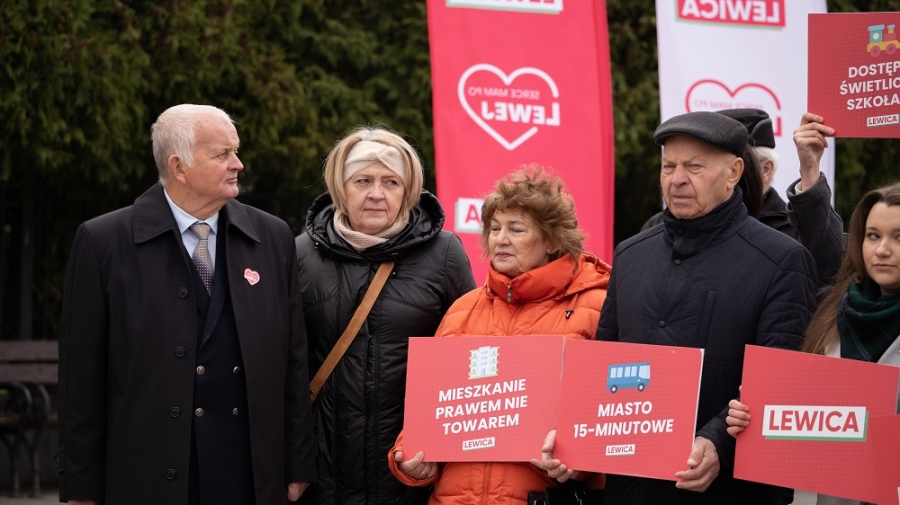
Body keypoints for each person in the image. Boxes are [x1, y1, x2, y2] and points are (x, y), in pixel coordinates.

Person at [56, 104, 316, 505]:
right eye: (222, 154)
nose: (238, 164)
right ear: (178, 167)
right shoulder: (103, 242)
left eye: (236, 151)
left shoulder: (272, 236)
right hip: (148, 476)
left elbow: (294, 359)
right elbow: (81, 380)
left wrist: (297, 463)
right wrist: (82, 489)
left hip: (247, 474)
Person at [563, 111, 817, 504]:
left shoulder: (781, 260)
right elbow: (603, 367)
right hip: (632, 489)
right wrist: (570, 441)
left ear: (733, 173)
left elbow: (779, 383)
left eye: (694, 167)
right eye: (669, 166)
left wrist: (718, 443)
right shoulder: (630, 255)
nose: (677, 179)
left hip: (730, 491)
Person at [387, 166, 612, 504]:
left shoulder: (596, 306)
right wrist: (409, 458)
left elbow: (616, 420)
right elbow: (430, 409)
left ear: (552, 241)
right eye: (494, 228)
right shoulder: (463, 309)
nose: (500, 239)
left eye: (516, 229)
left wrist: (577, 461)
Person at [294, 126, 476, 505]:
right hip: (324, 475)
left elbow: (469, 354)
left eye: (391, 182)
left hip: (410, 470)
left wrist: (437, 447)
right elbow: (284, 364)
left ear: (407, 191)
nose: (377, 194)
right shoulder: (300, 255)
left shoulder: (444, 254)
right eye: (363, 181)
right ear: (341, 187)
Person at [726, 183, 900, 505]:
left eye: (898, 238)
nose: (882, 250)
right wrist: (754, 415)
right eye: (873, 235)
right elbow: (805, 417)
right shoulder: (834, 313)